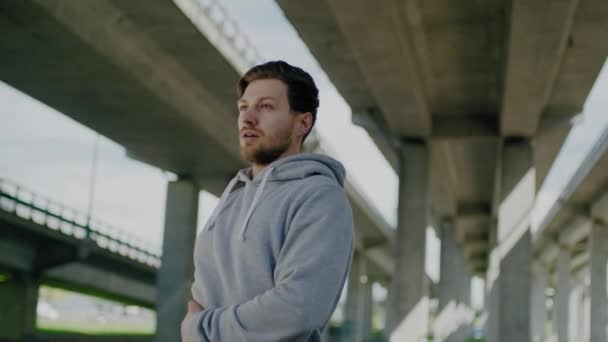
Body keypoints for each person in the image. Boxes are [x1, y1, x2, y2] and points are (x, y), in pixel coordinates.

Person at [180, 60, 355, 341]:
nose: (247, 118)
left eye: (265, 106)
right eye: (243, 107)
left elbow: (298, 308)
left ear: (303, 123)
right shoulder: (232, 200)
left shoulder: (320, 196)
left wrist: (199, 329)